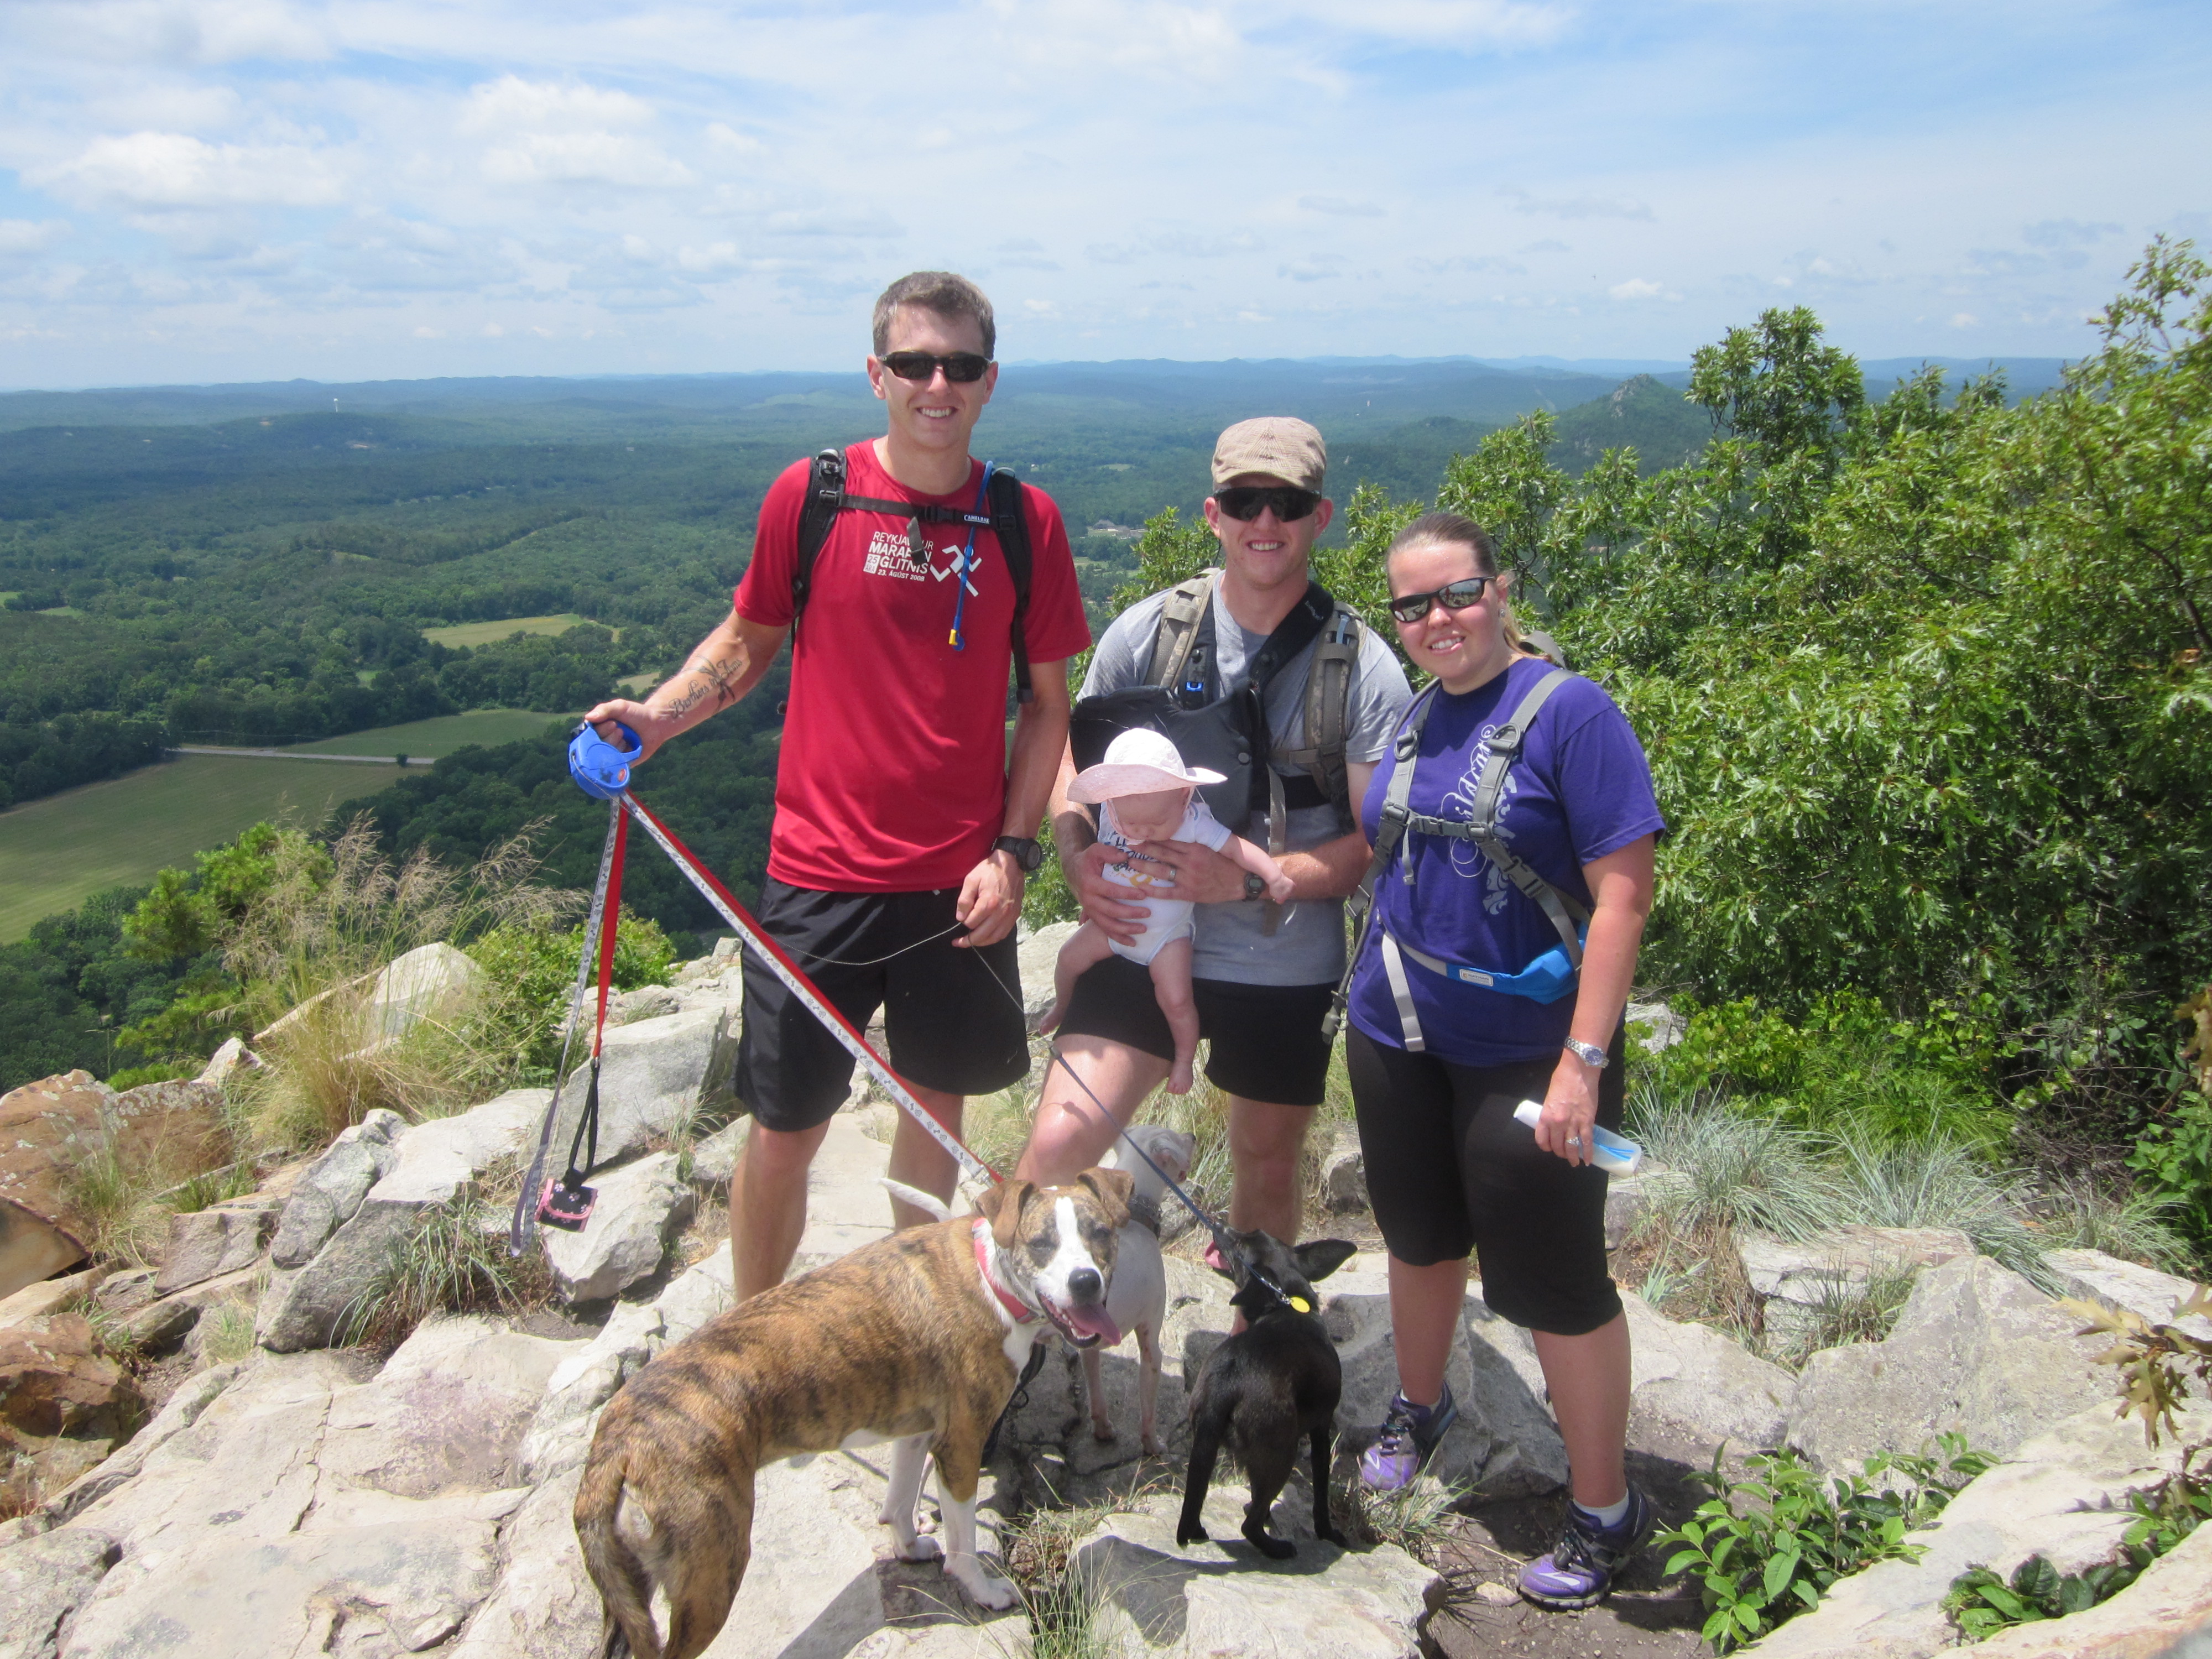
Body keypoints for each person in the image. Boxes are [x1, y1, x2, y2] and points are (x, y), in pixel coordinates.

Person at [583, 271, 1091, 1301]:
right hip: (816, 876)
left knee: (933, 1117)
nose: (935, 383)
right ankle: (753, 1340)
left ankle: (913, 1334)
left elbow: (1047, 706)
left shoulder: (1021, 521)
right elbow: (747, 641)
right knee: (783, 1131)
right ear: (877, 376)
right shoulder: (812, 496)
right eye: (914, 363)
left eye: (959, 365)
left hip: (959, 885)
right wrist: (657, 717)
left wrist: (1014, 852)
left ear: (989, 381)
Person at [1343, 511, 1662, 1611]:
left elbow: (1623, 893)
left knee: (1551, 1282)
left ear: (1500, 588)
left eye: (1458, 593)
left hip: (1531, 1052)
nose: (1437, 619)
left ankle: (1603, 1511)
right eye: (1413, 605)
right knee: (1418, 1234)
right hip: (1397, 1025)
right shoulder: (1415, 714)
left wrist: (1584, 1059)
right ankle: (1418, 1406)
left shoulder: (1569, 715)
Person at [1016, 417, 1411, 1246]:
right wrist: (1076, 853)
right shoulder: (1150, 633)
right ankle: (1013, 1333)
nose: (1265, 522)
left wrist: (1251, 879)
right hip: (1138, 933)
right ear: (1213, 514)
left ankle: (1253, 1339)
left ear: (1320, 516)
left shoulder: (1361, 666)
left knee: (1266, 1163)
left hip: (1285, 953)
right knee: (1058, 1142)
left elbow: (1377, 842)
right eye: (1245, 501)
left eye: (1287, 503)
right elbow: (1068, 760)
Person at [1042, 728, 1296, 1095]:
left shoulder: (1194, 821)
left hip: (1166, 938)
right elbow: (1106, 864)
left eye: (1156, 824)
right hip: (1114, 925)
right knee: (1068, 959)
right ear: (1111, 805)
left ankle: (1183, 1058)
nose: (1144, 832)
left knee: (1177, 1000)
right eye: (1132, 824)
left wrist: (1274, 876)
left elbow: (1237, 849)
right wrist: (1092, 901)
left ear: (1183, 797)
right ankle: (1061, 1007)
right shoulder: (1116, 816)